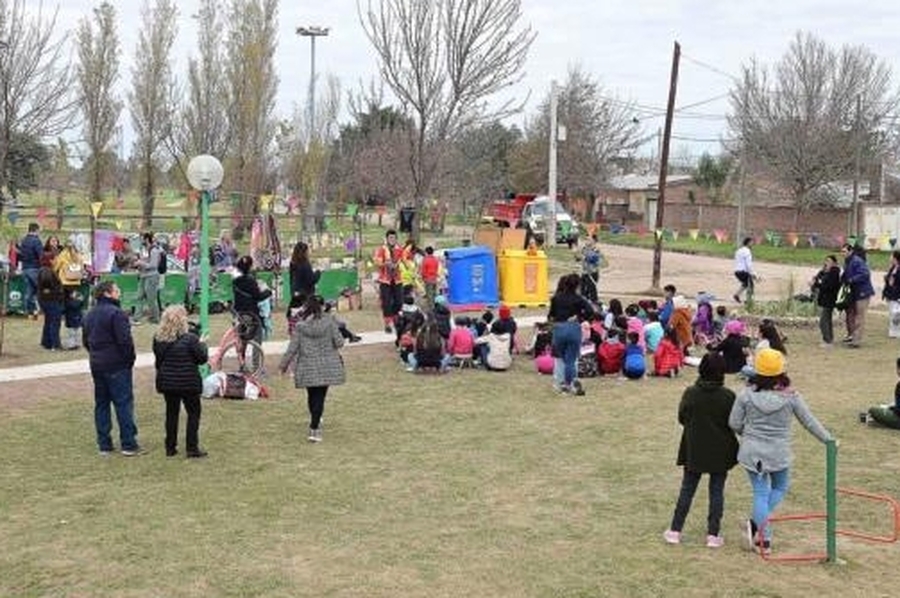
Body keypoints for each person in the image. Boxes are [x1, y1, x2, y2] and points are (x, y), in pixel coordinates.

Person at [728, 348, 834, 553]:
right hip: (779, 452)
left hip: (752, 452)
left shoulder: (746, 395)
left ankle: (758, 530)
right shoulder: (791, 396)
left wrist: (747, 434)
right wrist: (828, 440)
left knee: (760, 492)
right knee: (779, 487)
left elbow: (733, 423)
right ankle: (763, 538)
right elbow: (809, 422)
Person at [663, 353, 739, 548]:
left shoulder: (691, 393)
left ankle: (675, 530)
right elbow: (734, 423)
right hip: (721, 449)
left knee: (687, 489)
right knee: (717, 491)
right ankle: (713, 535)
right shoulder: (728, 396)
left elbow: (682, 417)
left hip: (694, 447)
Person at [82, 281, 141, 456]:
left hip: (97, 364)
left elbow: (86, 340)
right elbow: (125, 341)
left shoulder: (90, 314)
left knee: (101, 403)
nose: (119, 292)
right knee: (123, 403)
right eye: (116, 290)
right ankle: (128, 443)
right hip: (117, 364)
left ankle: (104, 444)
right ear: (107, 293)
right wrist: (129, 359)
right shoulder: (116, 314)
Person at [278, 294, 346, 443]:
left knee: (312, 395)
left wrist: (283, 365)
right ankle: (314, 426)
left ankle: (315, 420)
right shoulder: (330, 322)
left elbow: (292, 348)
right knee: (320, 397)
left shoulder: (300, 326)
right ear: (322, 307)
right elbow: (340, 342)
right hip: (327, 365)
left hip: (307, 366)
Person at [153, 305, 209, 458]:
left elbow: (159, 361)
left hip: (168, 381)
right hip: (188, 381)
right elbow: (201, 359)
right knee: (193, 413)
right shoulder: (190, 339)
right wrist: (202, 343)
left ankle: (170, 447)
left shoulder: (159, 339)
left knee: (171, 413)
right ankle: (192, 447)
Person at [548, 273, 595, 395]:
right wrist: (580, 317)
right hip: (573, 328)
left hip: (559, 328)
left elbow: (551, 315)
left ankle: (562, 383)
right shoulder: (579, 299)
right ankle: (570, 384)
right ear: (577, 286)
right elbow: (591, 311)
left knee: (561, 358)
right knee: (571, 360)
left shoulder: (556, 298)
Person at [53, 237, 86, 350]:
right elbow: (82, 270)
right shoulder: (79, 256)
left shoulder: (62, 255)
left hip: (65, 285)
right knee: (76, 310)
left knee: (68, 312)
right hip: (76, 284)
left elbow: (55, 268)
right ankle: (77, 340)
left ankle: (70, 341)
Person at [373, 229, 407, 333]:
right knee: (386, 303)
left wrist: (400, 264)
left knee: (399, 302)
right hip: (385, 280)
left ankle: (397, 321)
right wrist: (385, 264)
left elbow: (404, 260)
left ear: (396, 239)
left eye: (394, 238)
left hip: (397, 279)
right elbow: (377, 262)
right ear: (387, 239)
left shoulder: (400, 249)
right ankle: (387, 324)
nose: (392, 240)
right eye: (390, 238)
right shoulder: (381, 249)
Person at [232, 255, 272, 343]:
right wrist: (268, 292)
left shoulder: (235, 281)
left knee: (242, 334)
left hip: (238, 312)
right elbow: (258, 297)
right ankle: (256, 355)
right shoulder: (251, 281)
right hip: (251, 312)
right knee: (258, 332)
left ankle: (241, 354)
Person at [840, 243, 874, 348]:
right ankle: (853, 337)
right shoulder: (847, 261)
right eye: (842, 252)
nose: (843, 254)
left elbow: (865, 274)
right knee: (854, 315)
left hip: (863, 292)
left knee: (860, 316)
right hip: (855, 292)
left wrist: (852, 280)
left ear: (850, 251)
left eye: (845, 251)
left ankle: (856, 341)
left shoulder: (857, 261)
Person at [810, 255, 841, 346]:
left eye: (829, 261)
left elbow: (828, 286)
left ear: (834, 263)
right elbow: (818, 280)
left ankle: (827, 340)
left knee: (823, 321)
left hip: (829, 299)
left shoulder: (834, 273)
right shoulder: (824, 272)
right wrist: (816, 281)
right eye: (826, 261)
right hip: (823, 299)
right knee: (827, 319)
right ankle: (829, 338)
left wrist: (819, 284)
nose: (827, 263)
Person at [134, 232, 162, 325]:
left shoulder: (154, 250)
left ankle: (155, 317)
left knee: (151, 298)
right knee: (139, 296)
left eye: (142, 238)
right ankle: (136, 318)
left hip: (152, 276)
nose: (141, 241)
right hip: (143, 275)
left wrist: (141, 263)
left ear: (146, 239)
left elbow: (153, 265)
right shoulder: (144, 250)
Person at [17, 222, 43, 318]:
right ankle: (39, 310)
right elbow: (40, 255)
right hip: (34, 268)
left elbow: (20, 254)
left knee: (28, 292)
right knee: (39, 290)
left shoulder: (23, 240)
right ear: (36, 230)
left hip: (25, 268)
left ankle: (28, 312)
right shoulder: (36, 241)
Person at [36, 261, 64, 350]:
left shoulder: (42, 270)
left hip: (44, 299)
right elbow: (46, 282)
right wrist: (55, 291)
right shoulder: (47, 271)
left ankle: (46, 342)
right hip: (51, 299)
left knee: (48, 321)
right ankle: (55, 344)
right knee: (54, 322)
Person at [577, 234, 602, 303]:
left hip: (592, 272)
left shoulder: (596, 249)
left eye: (588, 239)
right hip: (584, 272)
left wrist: (585, 257)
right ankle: (583, 303)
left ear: (593, 241)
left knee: (591, 290)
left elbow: (594, 258)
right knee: (582, 289)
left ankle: (594, 303)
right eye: (586, 239)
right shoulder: (584, 248)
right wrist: (577, 256)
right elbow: (580, 256)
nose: (586, 241)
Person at [882, 250, 900, 339]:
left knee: (896, 313)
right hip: (890, 293)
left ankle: (896, 332)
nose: (890, 258)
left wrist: (893, 281)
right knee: (892, 313)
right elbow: (889, 279)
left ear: (895, 258)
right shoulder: (893, 267)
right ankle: (893, 332)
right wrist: (887, 278)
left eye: (891, 256)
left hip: (897, 294)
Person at [733, 237, 756, 304]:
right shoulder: (747, 251)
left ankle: (736, 295)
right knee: (751, 285)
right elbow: (748, 265)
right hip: (743, 271)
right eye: (752, 243)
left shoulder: (739, 250)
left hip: (737, 271)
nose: (752, 244)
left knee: (746, 284)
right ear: (748, 243)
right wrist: (753, 273)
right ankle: (748, 300)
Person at [419, 245, 441, 310]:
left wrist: (423, 278)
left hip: (428, 279)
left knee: (429, 295)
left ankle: (431, 309)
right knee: (434, 294)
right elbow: (437, 268)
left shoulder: (425, 260)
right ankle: (435, 306)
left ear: (426, 252)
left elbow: (423, 270)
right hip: (434, 278)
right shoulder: (435, 259)